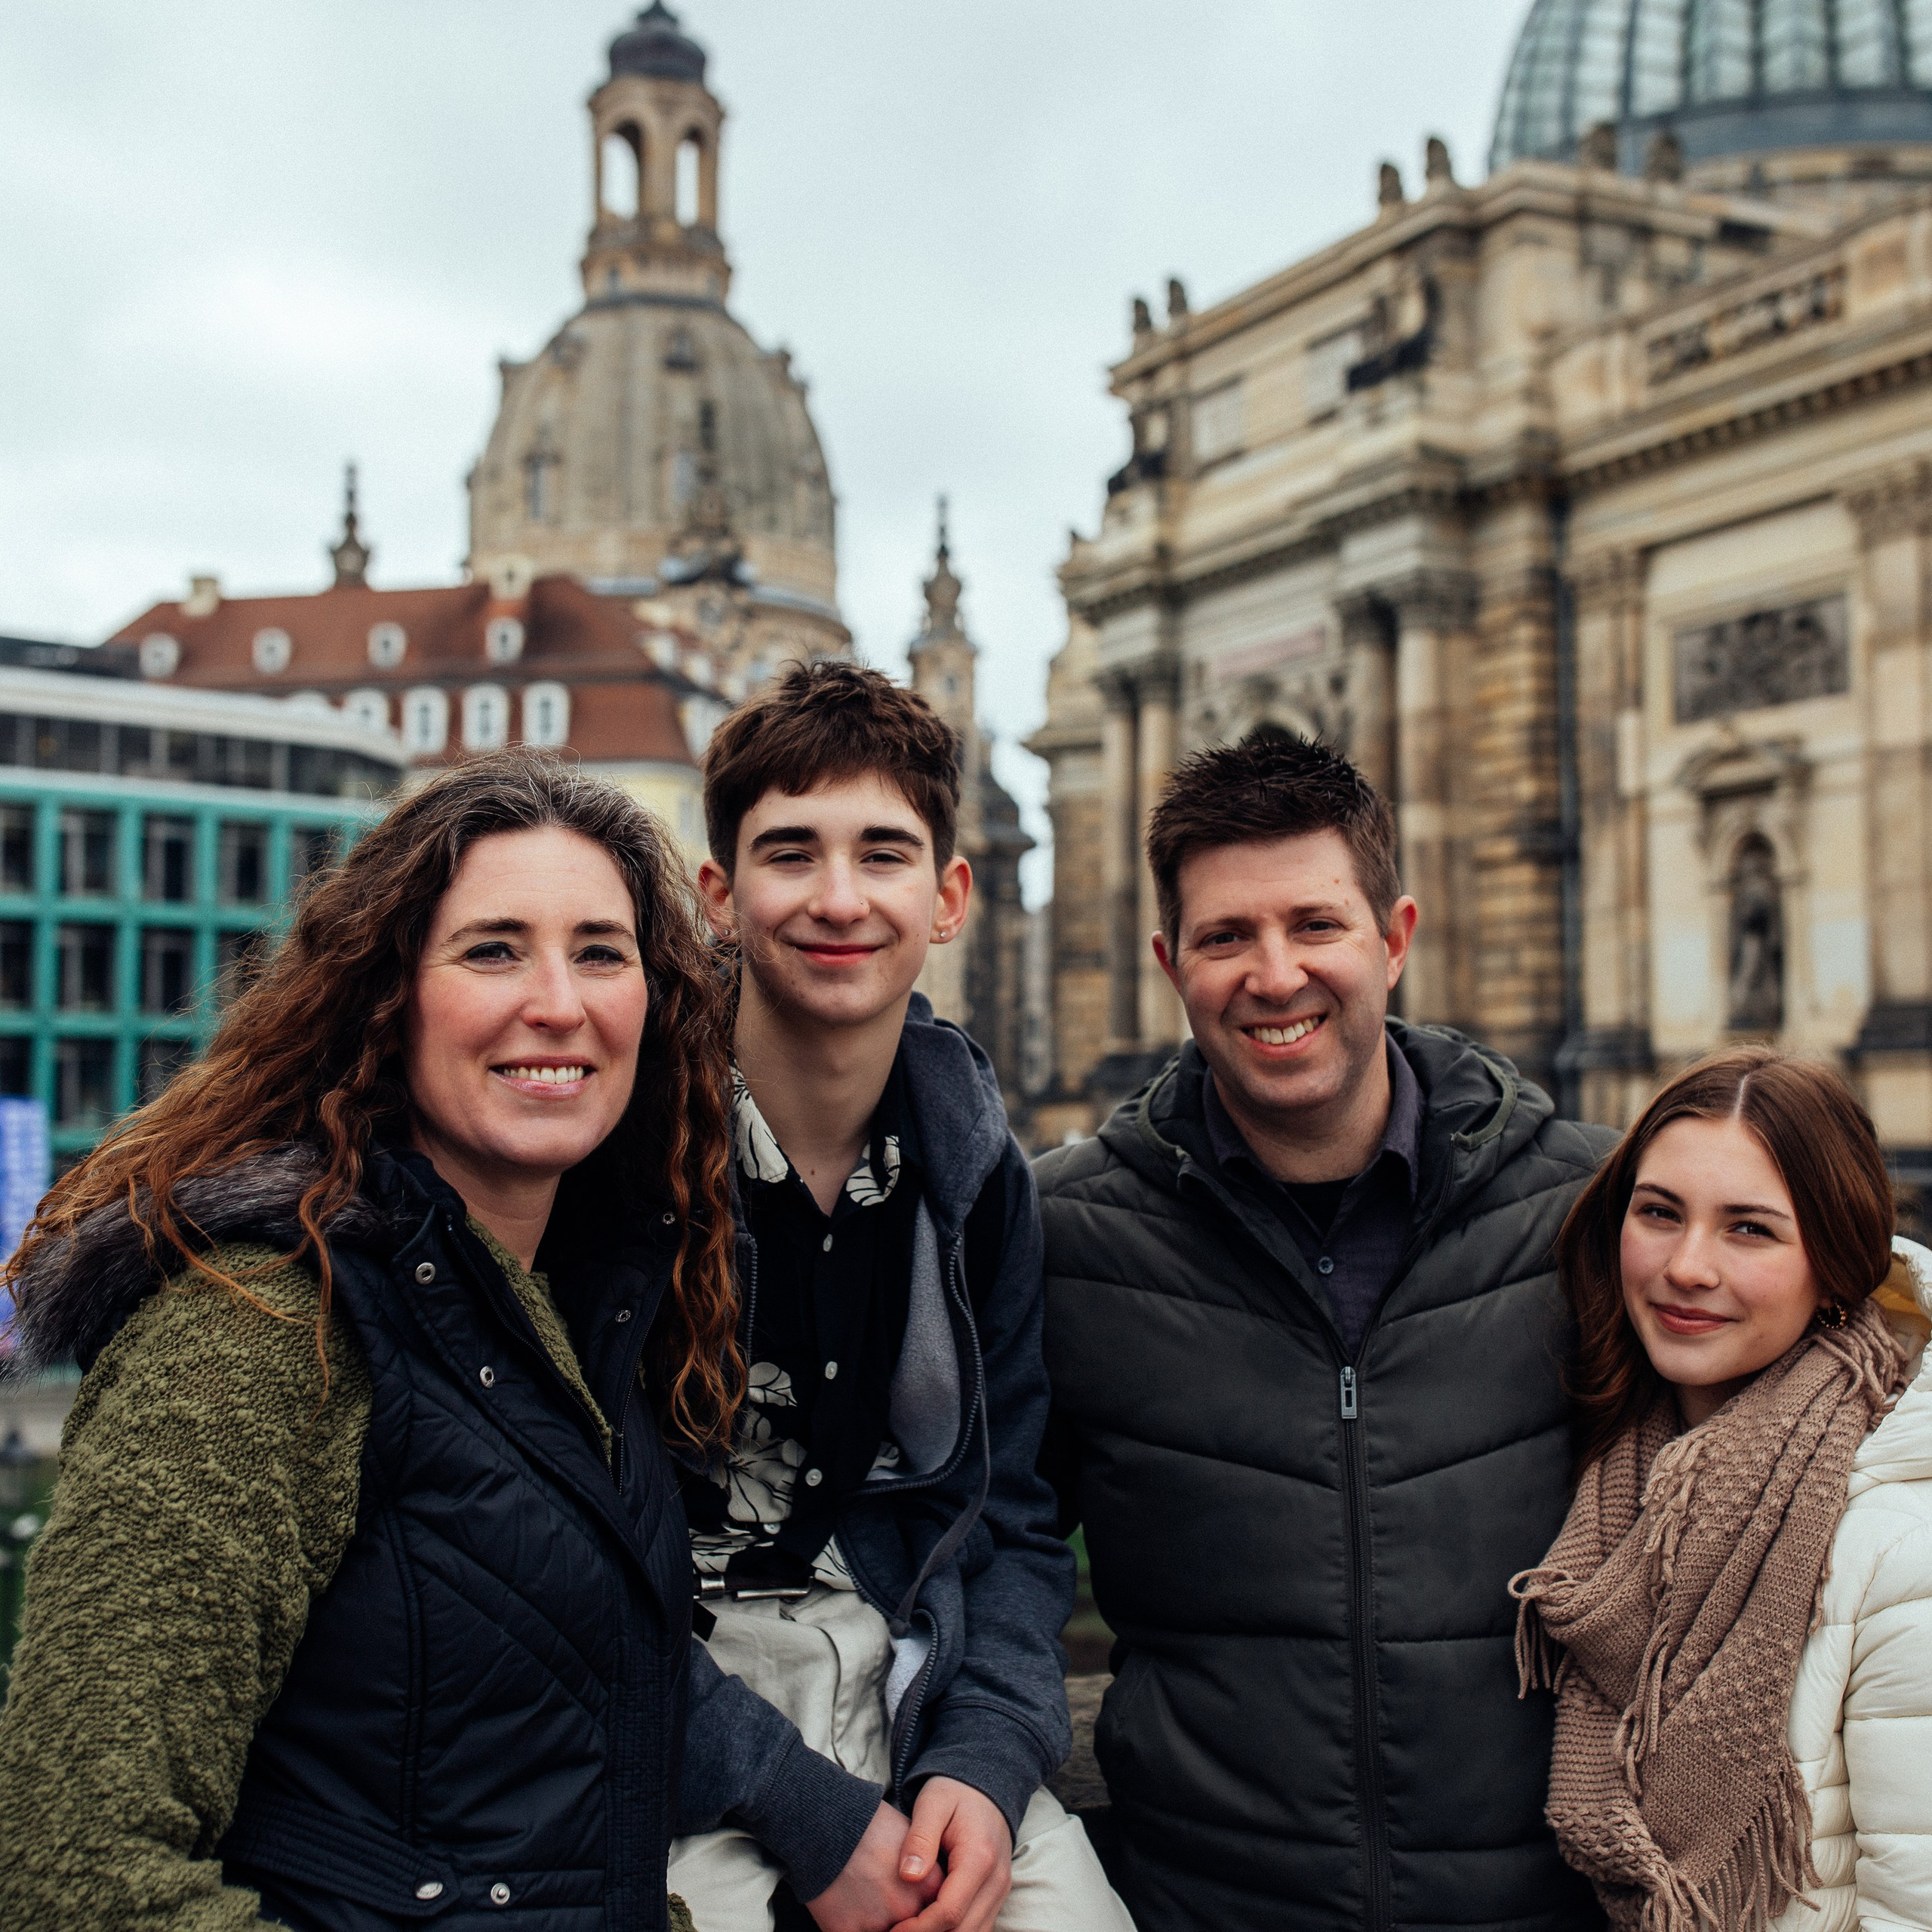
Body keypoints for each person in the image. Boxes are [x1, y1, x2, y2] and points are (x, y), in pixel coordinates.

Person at [0, 749, 735, 1932]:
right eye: (494, 948)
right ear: (388, 997)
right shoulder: (257, 1327)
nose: (560, 1000)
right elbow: (75, 1877)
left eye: (602, 951)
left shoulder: (579, 1310)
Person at [1034, 729, 1615, 1932]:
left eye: (1315, 925)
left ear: (1394, 940)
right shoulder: (1064, 1235)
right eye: (1226, 937)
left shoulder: (1588, 1211)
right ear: (1169, 962)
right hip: (1204, 1906)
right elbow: (986, 1555)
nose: (1275, 973)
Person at [675, 660, 1133, 1932]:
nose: (838, 898)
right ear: (719, 894)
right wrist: (809, 1816)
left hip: (913, 1700)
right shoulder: (621, 1167)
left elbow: (1012, 1518)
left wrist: (986, 1766)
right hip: (672, 1734)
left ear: (948, 897)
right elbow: (551, 1570)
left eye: (882, 854)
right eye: (791, 853)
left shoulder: (983, 1181)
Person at [1513, 1048, 1932, 1931]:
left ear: (1834, 1263)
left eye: (1749, 1228)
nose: (1687, 1267)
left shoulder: (1899, 1545)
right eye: (1659, 1212)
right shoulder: (1603, 1470)